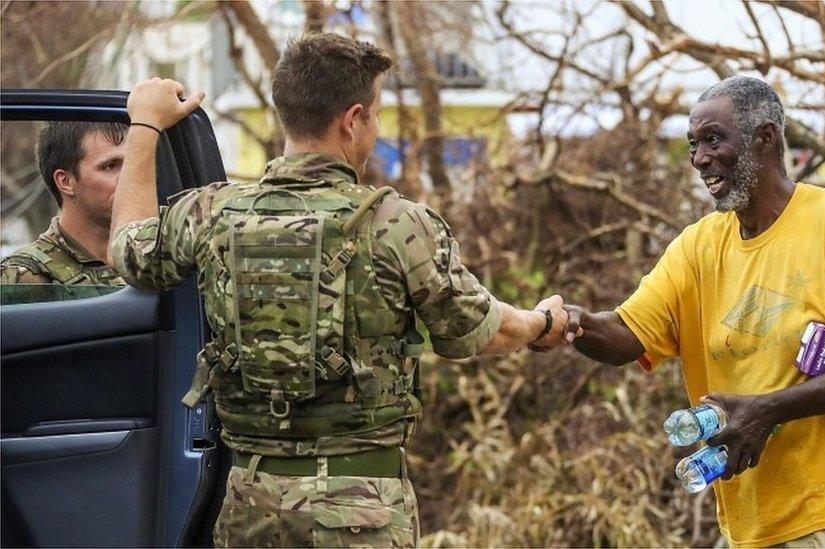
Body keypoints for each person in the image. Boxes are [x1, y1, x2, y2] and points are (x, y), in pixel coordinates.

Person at [107, 33, 567, 547]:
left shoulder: (211, 213)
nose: (374, 130)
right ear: (352, 120)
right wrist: (542, 324)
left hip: (248, 508)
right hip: (361, 512)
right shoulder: (398, 224)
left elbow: (128, 249)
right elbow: (476, 332)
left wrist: (144, 123)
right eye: (374, 116)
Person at [561, 76, 825, 548]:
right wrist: (571, 323)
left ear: (765, 138)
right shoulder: (699, 246)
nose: (699, 159)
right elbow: (626, 335)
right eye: (693, 145)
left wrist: (768, 409)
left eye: (713, 139)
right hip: (757, 525)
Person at [1, 121, 127, 286]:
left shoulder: (149, 256)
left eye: (132, 165)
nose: (130, 177)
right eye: (110, 166)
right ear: (65, 182)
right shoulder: (24, 277)